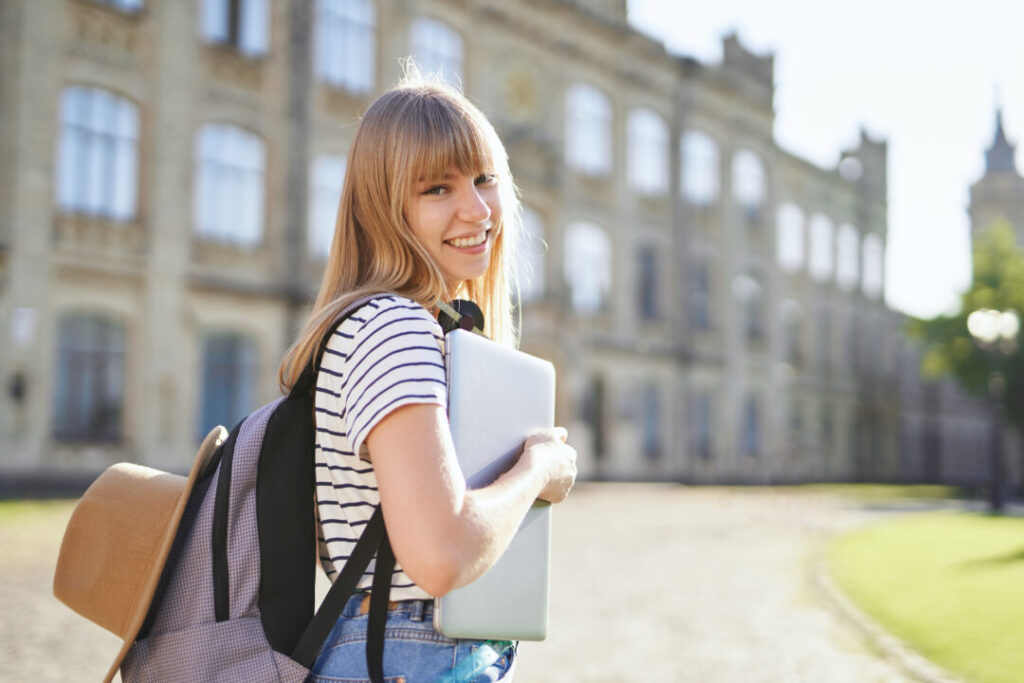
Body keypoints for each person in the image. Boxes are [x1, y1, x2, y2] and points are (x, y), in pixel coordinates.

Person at [277, 67, 578, 682]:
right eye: (436, 189)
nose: (477, 209)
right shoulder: (393, 327)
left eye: (484, 179)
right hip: (409, 653)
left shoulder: (399, 325)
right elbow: (441, 556)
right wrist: (538, 470)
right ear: (384, 208)